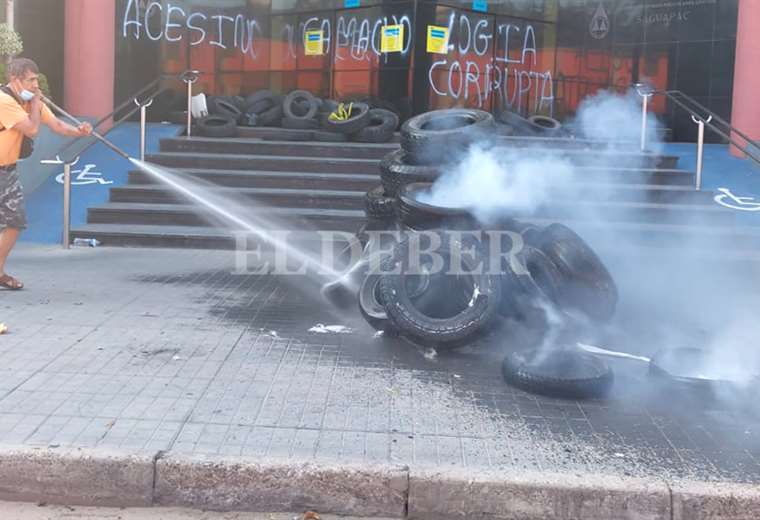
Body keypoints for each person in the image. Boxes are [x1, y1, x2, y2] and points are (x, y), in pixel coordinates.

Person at [0, 58, 92, 290]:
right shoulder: (3, 100)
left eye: (36, 80)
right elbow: (31, 129)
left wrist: (79, 131)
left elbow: (58, 126)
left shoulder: (31, 102)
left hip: (7, 171)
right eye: (30, 80)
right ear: (14, 79)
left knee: (15, 222)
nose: (35, 85)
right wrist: (37, 103)